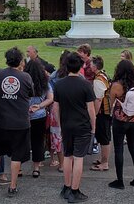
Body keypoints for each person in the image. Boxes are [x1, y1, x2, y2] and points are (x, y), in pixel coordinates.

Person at [0, 47, 33, 197]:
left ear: (6, 60)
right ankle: (12, 186)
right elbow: (30, 94)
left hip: (0, 120)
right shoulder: (26, 77)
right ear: (20, 61)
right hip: (19, 121)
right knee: (17, 155)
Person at [53, 52, 96, 203]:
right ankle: (75, 190)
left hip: (66, 125)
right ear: (81, 66)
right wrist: (93, 126)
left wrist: (59, 123)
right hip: (82, 125)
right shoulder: (85, 85)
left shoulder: (59, 84)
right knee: (78, 158)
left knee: (67, 156)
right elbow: (91, 109)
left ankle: (66, 186)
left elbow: (55, 107)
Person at [108, 59, 134, 189]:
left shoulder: (116, 85)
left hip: (120, 120)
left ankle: (120, 180)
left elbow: (111, 102)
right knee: (133, 148)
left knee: (119, 149)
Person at [26, 59, 54, 179]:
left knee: (23, 141)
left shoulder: (24, 80)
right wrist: (39, 106)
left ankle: (19, 168)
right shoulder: (45, 82)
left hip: (24, 115)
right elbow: (50, 98)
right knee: (38, 141)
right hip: (39, 114)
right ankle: (36, 168)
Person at [47, 50, 69, 172]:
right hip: (71, 110)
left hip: (56, 109)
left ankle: (62, 164)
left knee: (58, 137)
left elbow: (51, 94)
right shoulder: (76, 76)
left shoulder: (54, 76)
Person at [90, 56, 111, 173]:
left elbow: (98, 99)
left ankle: (104, 163)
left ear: (95, 66)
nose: (89, 66)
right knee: (104, 137)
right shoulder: (104, 75)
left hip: (102, 112)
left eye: (91, 65)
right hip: (106, 111)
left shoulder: (98, 80)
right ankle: (103, 159)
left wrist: (95, 114)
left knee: (104, 138)